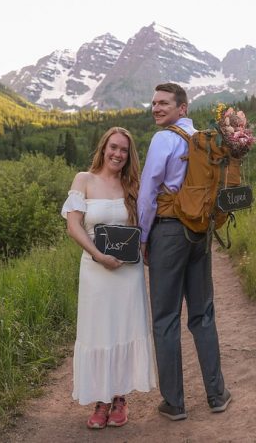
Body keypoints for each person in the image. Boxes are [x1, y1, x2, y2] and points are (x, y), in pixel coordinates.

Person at [138, 82, 231, 421]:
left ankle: (174, 403)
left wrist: (143, 237)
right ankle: (217, 394)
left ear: (182, 107)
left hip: (169, 232)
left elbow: (148, 192)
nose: (156, 108)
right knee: (203, 314)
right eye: (153, 103)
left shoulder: (163, 139)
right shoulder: (204, 139)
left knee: (165, 319)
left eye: (163, 103)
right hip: (200, 231)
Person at [61, 126, 156, 430]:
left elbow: (145, 225)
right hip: (95, 270)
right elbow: (73, 226)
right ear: (103, 148)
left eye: (124, 150)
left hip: (128, 273)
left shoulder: (134, 185)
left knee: (123, 329)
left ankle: (119, 399)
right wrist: (98, 255)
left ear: (129, 156)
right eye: (113, 147)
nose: (117, 154)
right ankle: (100, 401)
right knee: (98, 331)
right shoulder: (83, 180)